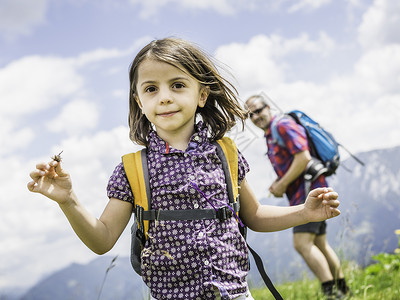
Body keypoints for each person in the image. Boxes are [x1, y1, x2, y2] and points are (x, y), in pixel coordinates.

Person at [27, 37, 340, 300]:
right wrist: (68, 201)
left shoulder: (225, 154)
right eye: (150, 89)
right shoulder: (133, 169)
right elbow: (103, 239)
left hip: (234, 293)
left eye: (177, 85)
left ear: (202, 94)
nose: (164, 97)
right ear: (138, 100)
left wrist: (304, 213)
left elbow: (254, 216)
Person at [245, 94, 350, 299]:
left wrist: (282, 184)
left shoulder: (282, 126)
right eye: (250, 115)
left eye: (258, 110)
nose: (256, 116)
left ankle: (332, 293)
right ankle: (344, 290)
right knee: (319, 244)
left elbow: (303, 157)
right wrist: (280, 184)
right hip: (310, 191)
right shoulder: (272, 133)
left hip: (309, 193)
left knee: (301, 244)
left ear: (268, 107)